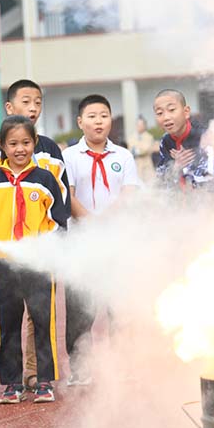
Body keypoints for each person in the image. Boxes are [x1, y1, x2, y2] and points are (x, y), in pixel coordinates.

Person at [0, 79, 69, 398]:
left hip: (38, 262)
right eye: (13, 144)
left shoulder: (46, 179)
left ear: (35, 143)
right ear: (2, 146)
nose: (20, 149)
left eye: (26, 143)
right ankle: (9, 382)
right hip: (3, 262)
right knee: (7, 322)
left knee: (42, 321)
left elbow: (59, 220)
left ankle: (43, 381)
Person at [62, 95, 140, 384]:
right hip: (81, 241)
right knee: (80, 305)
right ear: (80, 121)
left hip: (115, 240)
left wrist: (106, 221)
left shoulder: (123, 156)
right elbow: (67, 195)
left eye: (104, 115)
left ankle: (120, 366)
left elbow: (128, 194)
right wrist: (90, 221)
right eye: (92, 116)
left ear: (111, 120)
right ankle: (81, 369)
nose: (98, 121)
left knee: (117, 305)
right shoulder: (69, 157)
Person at [153, 89, 203, 191]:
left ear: (186, 112)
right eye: (159, 113)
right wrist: (176, 167)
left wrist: (188, 167)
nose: (166, 117)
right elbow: (161, 179)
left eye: (171, 110)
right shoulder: (166, 141)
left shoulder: (203, 136)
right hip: (178, 202)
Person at [129, 115, 157, 183]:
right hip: (136, 167)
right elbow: (130, 149)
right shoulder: (131, 137)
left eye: (141, 125)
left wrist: (136, 150)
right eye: (138, 124)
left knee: (149, 187)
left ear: (145, 125)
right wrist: (135, 150)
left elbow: (145, 149)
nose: (139, 126)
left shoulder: (149, 137)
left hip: (147, 166)